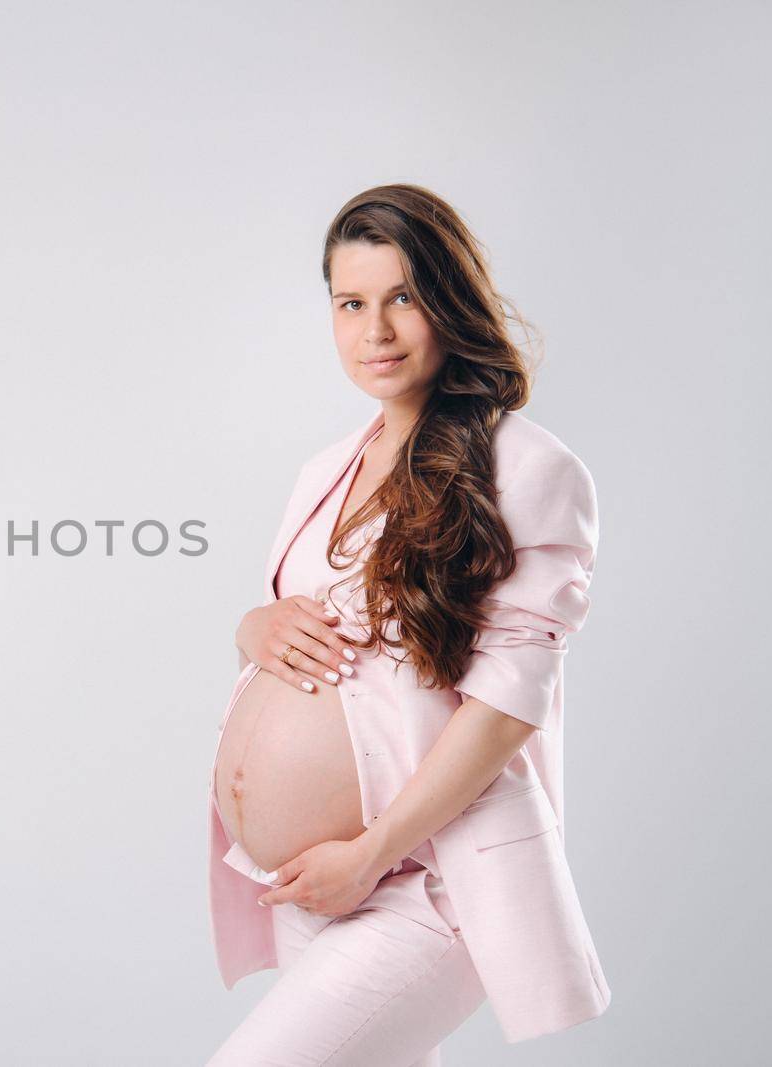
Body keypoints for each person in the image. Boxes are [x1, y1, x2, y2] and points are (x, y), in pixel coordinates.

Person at [205, 184, 611, 1065]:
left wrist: (370, 852)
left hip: (424, 879)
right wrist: (252, 625)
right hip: (313, 885)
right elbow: (309, 630)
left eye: (404, 298)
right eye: (351, 303)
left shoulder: (529, 468)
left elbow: (506, 707)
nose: (375, 331)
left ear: (451, 301)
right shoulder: (327, 467)